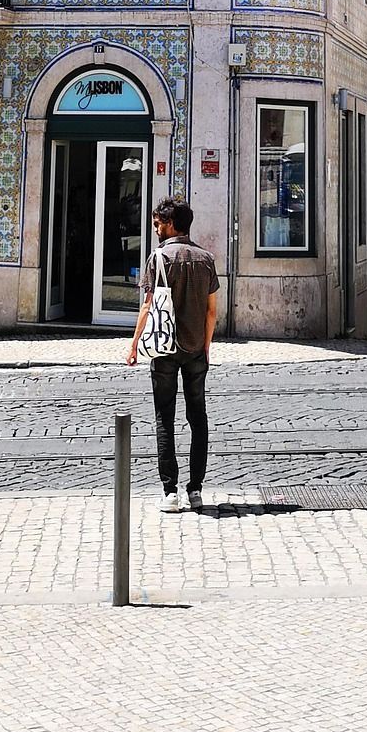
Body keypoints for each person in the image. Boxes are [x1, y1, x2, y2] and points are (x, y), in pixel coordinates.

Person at [127, 197, 218, 513]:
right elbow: (211, 312)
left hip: (164, 349)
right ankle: (196, 491)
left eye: (158, 224)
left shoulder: (159, 259)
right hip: (195, 349)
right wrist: (206, 347)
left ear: (171, 224)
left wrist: (135, 344)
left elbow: (148, 305)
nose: (155, 229)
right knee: (198, 419)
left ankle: (170, 493)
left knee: (164, 418)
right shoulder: (206, 259)